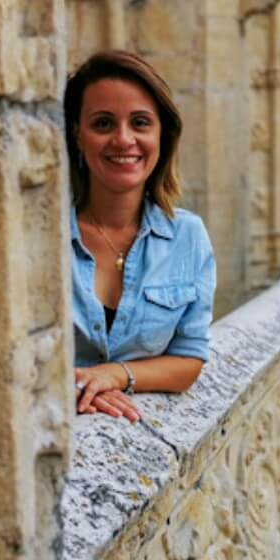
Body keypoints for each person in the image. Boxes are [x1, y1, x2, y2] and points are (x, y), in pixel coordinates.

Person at [66, 51, 216, 421]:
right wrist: (79, 387)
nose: (123, 139)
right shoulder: (38, 235)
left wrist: (117, 375)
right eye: (103, 124)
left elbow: (189, 359)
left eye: (140, 122)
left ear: (162, 134)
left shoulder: (188, 236)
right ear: (77, 135)